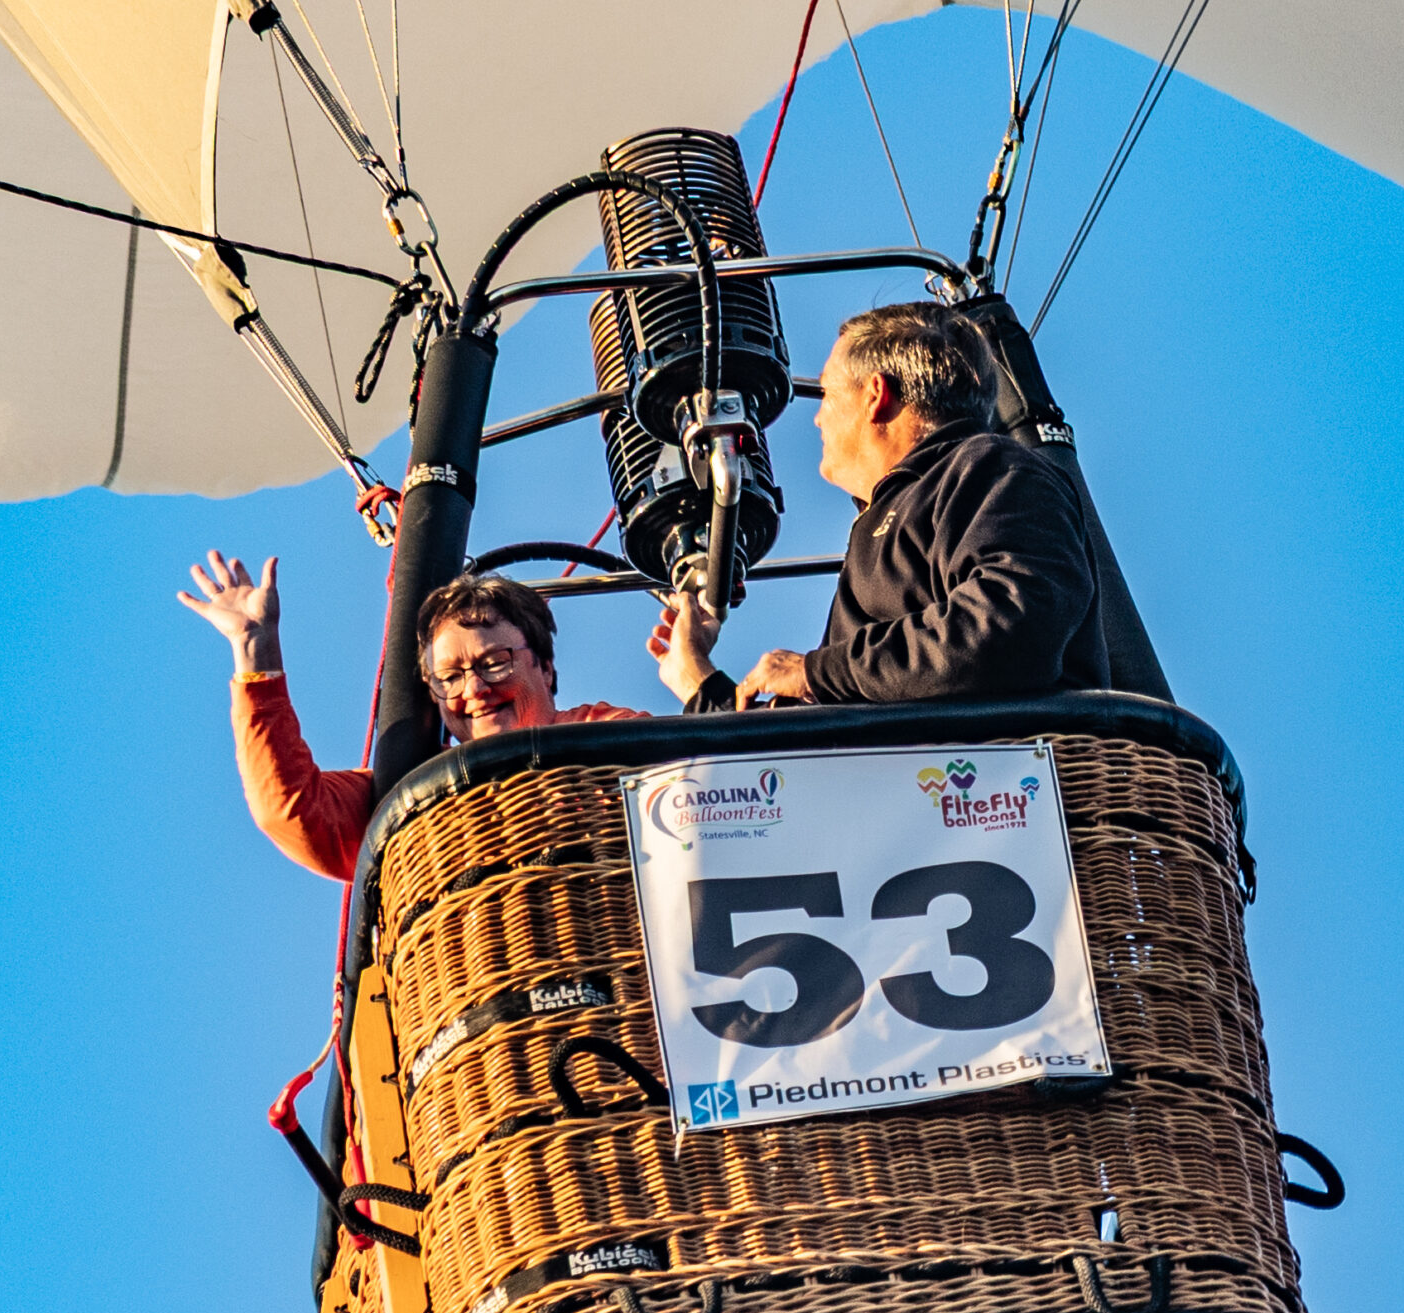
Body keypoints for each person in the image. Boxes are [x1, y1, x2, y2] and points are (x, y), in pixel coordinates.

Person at [649, 301, 1107, 712]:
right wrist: (699, 682)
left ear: (874, 395)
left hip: (1000, 773)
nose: (817, 417)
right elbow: (799, 761)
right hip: (910, 777)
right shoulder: (878, 533)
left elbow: (1012, 623)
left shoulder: (989, 468)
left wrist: (817, 672)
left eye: (827, 394)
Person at [181, 553, 642, 881]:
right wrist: (255, 649)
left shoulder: (597, 731)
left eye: (495, 663)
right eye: (450, 678)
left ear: (545, 666)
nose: (474, 690)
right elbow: (294, 811)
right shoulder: (417, 784)